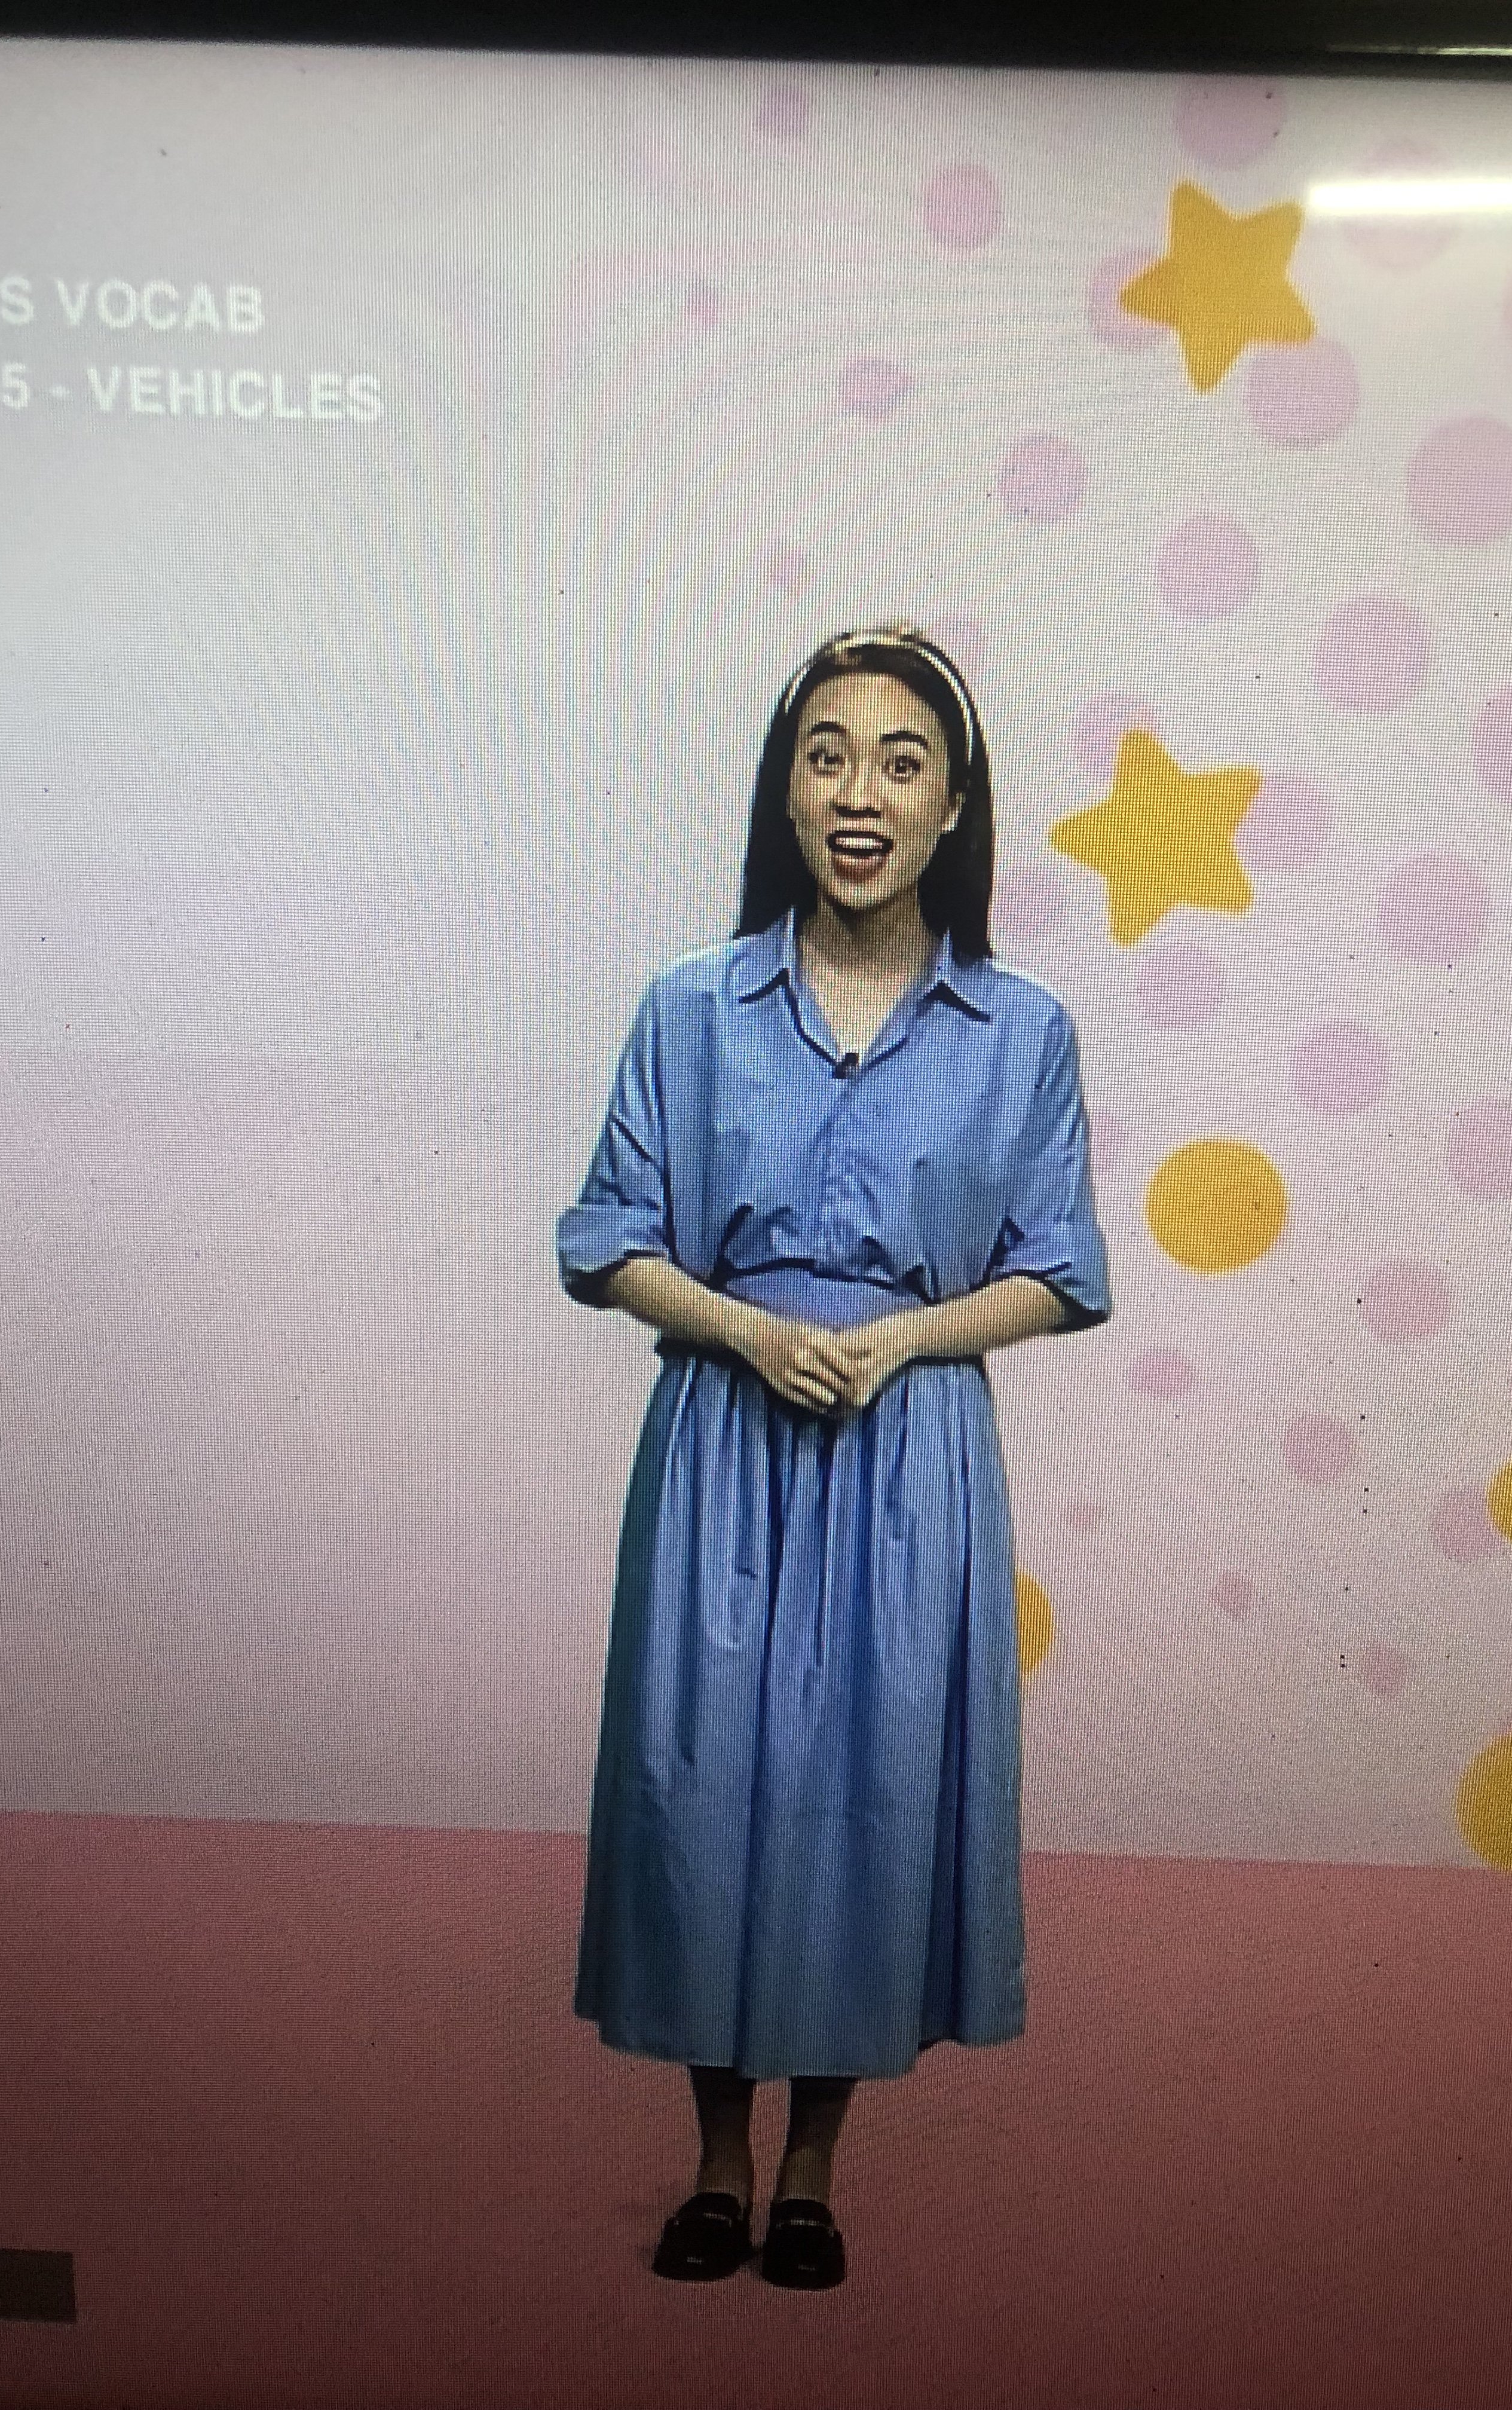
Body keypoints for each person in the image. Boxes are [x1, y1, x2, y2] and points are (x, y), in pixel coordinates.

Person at [556, 622, 1112, 2290]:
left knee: (868, 1796)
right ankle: (716, 2164)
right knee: (704, 1789)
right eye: (826, 754)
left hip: (909, 1456)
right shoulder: (688, 1008)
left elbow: (1061, 1267)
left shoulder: (1022, 1031)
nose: (859, 792)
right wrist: (742, 1331)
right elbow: (607, 1237)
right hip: (724, 1446)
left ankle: (811, 2168)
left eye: (900, 760)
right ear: (784, 791)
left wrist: (904, 1341)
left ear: (954, 808)